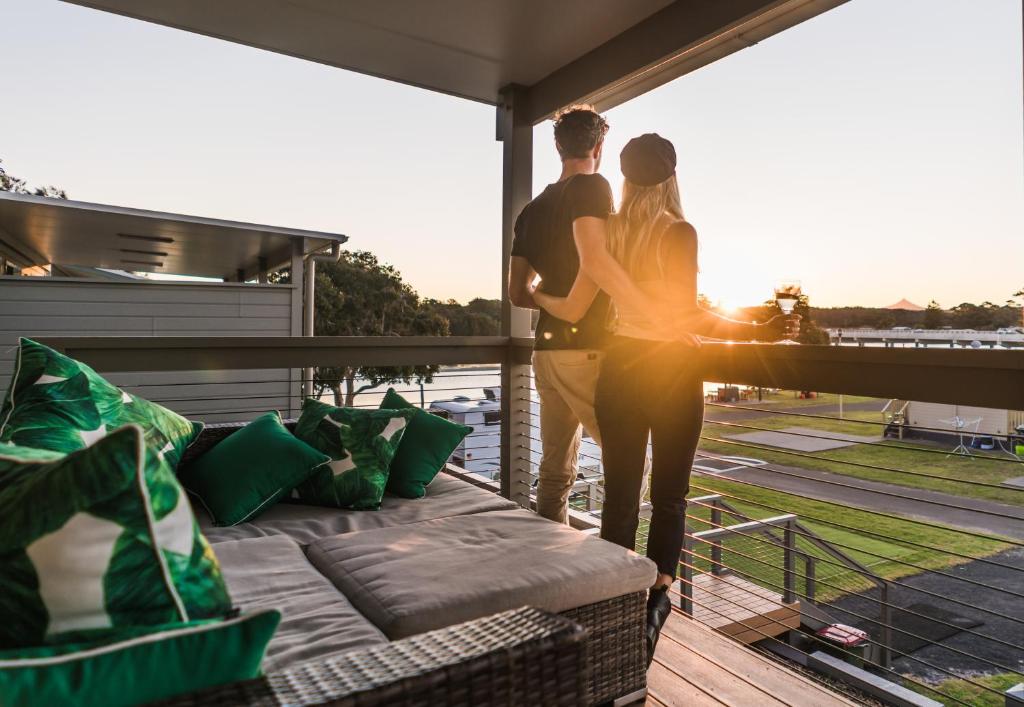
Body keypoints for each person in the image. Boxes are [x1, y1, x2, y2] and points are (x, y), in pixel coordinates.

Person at [533, 133, 798, 662]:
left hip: (619, 371)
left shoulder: (609, 229)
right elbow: (682, 314)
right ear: (673, 177)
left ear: (626, 180)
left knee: (621, 493)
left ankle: (613, 598)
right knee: (670, 495)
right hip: (672, 373)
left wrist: (536, 293)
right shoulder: (678, 231)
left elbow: (586, 298)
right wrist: (757, 322)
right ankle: (655, 605)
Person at [508, 106, 657, 524]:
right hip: (588, 351)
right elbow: (596, 261)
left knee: (556, 468)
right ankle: (618, 562)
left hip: (546, 355)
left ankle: (552, 558)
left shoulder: (531, 210)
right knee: (631, 461)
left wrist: (547, 299)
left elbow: (518, 292)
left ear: (557, 146)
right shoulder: (595, 186)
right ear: (600, 146)